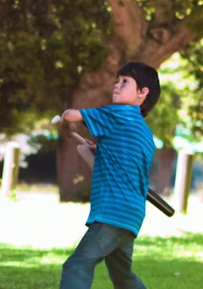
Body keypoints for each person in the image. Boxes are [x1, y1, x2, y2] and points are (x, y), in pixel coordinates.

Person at [58, 61, 161, 289]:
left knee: (77, 265)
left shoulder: (118, 113)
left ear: (142, 93)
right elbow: (105, 168)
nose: (117, 85)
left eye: (125, 82)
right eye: (117, 81)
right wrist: (89, 148)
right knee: (122, 276)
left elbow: (69, 115)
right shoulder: (144, 133)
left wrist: (67, 123)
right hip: (131, 215)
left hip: (111, 213)